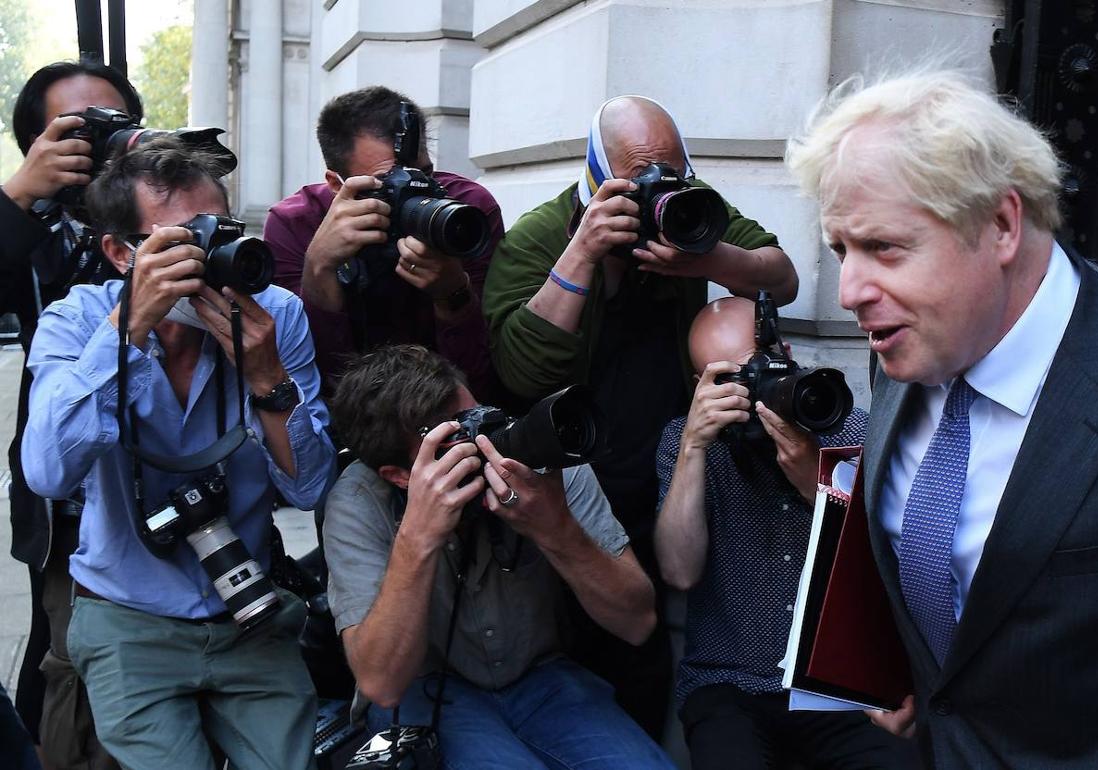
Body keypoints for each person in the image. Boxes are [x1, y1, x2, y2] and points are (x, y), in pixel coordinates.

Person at [785, 68, 1098, 767]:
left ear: (1001, 224)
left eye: (885, 248)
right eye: (840, 249)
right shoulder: (903, 354)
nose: (850, 290)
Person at [482, 94, 798, 736]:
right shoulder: (541, 234)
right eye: (640, 178)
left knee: (642, 654)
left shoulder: (688, 206)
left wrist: (706, 258)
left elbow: (780, 277)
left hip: (662, 466)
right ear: (598, 176)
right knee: (566, 641)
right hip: (573, 477)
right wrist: (583, 252)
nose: (662, 190)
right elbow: (522, 369)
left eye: (673, 172)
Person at [21, 139, 335, 769]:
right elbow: (48, 472)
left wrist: (268, 378)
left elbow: (310, 489)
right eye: (186, 241)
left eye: (222, 232)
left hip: (247, 606)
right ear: (120, 252)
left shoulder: (273, 315)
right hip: (128, 614)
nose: (214, 256)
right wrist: (126, 332)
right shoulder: (78, 321)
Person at [322, 344, 674, 768]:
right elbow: (382, 684)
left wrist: (555, 527)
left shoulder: (541, 458)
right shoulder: (360, 501)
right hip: (426, 689)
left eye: (479, 416)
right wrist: (417, 537)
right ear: (399, 475)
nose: (484, 442)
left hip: (541, 678)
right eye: (457, 441)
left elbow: (637, 621)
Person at [654, 296, 913, 769]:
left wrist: (818, 484)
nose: (750, 394)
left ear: (784, 356)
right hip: (728, 682)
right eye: (728, 379)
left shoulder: (847, 427)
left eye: (756, 370)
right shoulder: (685, 442)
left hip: (838, 687)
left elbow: (894, 563)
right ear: (700, 387)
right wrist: (693, 447)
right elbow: (679, 570)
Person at [0, 58, 143, 770]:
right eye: (81, 129)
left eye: (117, 126)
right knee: (67, 661)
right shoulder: (29, 232)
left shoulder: (164, 212)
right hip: (66, 496)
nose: (103, 144)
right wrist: (20, 196)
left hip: (170, 477)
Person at [264, 86, 502, 397]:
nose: (418, 194)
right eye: (391, 184)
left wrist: (453, 295)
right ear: (337, 184)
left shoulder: (464, 213)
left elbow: (482, 382)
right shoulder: (297, 224)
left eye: (425, 175)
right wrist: (320, 268)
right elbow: (309, 384)